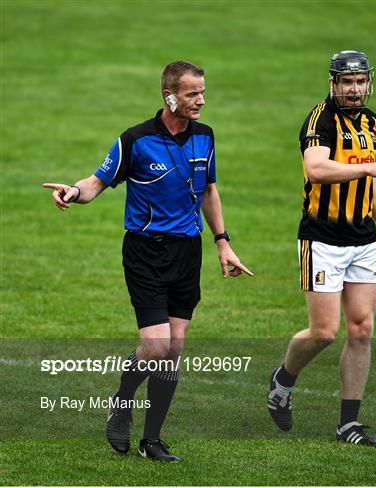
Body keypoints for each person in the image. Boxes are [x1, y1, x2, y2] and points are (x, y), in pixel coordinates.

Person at [43, 60, 253, 462]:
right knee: (155, 348)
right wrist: (73, 191)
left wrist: (223, 242)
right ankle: (121, 406)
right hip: (146, 252)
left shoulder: (205, 138)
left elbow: (209, 192)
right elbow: (97, 182)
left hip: (187, 252)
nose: (200, 101)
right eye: (192, 94)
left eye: (202, 92)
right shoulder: (135, 140)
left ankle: (151, 440)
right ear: (169, 95)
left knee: (174, 350)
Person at [267, 51, 376, 446]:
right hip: (322, 239)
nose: (354, 89)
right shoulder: (320, 121)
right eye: (347, 82)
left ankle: (349, 424)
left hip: (363, 241)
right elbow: (317, 169)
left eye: (361, 82)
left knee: (361, 329)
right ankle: (282, 380)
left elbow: (368, 177)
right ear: (332, 84)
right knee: (325, 332)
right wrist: (369, 168)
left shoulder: (371, 123)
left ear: (369, 82)